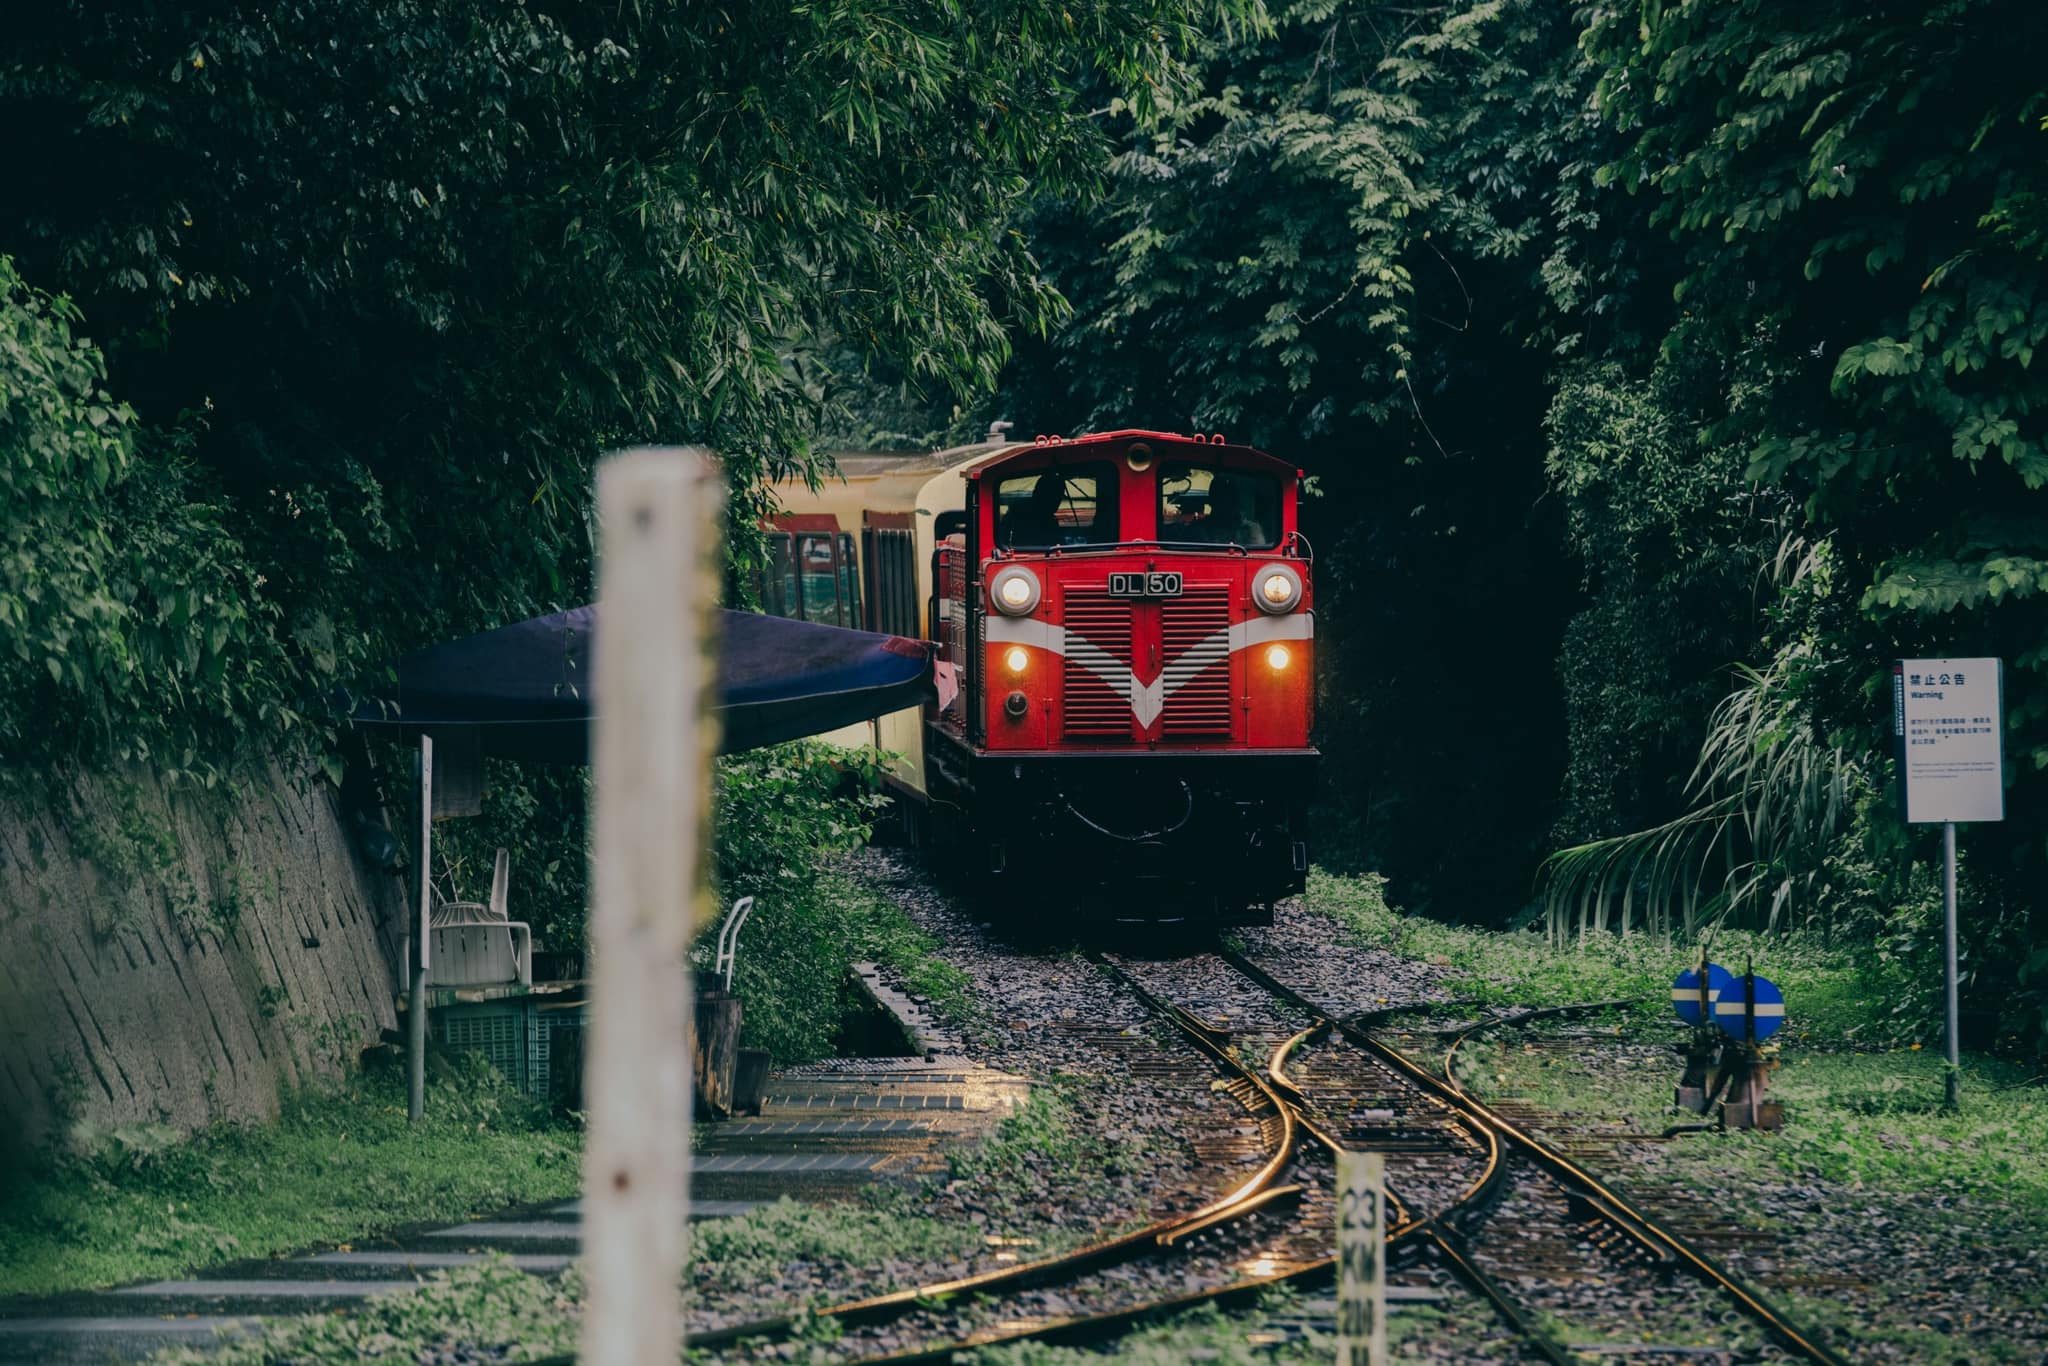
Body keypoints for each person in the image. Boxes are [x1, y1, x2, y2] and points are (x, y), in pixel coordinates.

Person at [1002, 471, 1068, 548]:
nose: (1057, 502)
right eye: (1055, 498)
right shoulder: (1021, 516)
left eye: (1059, 498)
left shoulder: (1048, 517)